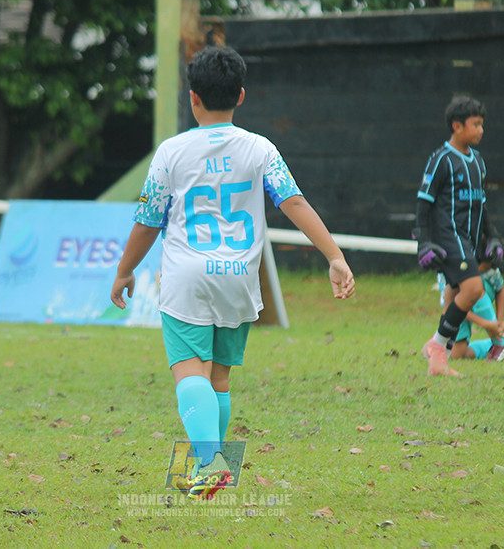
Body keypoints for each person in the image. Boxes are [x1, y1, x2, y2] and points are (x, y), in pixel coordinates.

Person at [109, 45, 355, 501]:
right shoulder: (260, 149)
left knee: (190, 374)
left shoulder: (172, 152)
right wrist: (334, 255)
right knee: (218, 379)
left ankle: (208, 466)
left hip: (186, 278)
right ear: (240, 95)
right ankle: (212, 477)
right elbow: (294, 203)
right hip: (240, 278)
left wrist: (125, 271)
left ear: (193, 98)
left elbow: (148, 222)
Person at [414, 95, 504, 377]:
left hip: (469, 239)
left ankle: (438, 360)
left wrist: (492, 237)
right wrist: (424, 242)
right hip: (448, 237)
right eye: (475, 124)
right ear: (457, 126)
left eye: (482, 124)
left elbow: (481, 204)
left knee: (454, 293)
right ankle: (437, 345)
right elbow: (423, 203)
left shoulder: (478, 160)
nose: (481, 130)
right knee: (474, 290)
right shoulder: (441, 159)